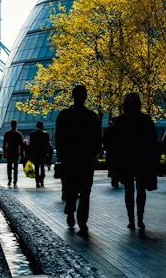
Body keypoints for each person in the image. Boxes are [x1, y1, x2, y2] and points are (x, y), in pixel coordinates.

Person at [55, 85, 101, 236]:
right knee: (85, 192)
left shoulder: (64, 115)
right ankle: (83, 222)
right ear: (85, 97)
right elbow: (97, 139)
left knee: (71, 188)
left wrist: (61, 157)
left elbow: (59, 138)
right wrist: (94, 155)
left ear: (72, 96)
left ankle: (70, 210)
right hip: (86, 160)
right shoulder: (92, 116)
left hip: (70, 160)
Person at [114, 93, 158, 230]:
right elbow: (152, 143)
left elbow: (117, 144)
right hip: (142, 160)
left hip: (126, 160)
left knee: (128, 190)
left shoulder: (120, 121)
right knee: (141, 190)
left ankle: (131, 220)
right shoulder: (146, 120)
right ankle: (140, 219)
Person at [29, 121, 52, 188]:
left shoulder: (32, 134)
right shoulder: (46, 134)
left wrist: (30, 154)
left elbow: (31, 145)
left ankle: (37, 182)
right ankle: (41, 180)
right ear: (42, 126)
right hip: (43, 153)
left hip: (35, 153)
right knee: (42, 167)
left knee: (36, 167)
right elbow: (47, 145)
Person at [2, 119, 24, 186]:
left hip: (9, 152)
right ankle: (15, 181)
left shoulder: (7, 134)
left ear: (11, 125)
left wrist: (4, 153)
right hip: (16, 152)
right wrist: (22, 153)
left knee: (9, 167)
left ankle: (9, 180)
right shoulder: (19, 134)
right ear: (16, 125)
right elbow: (21, 145)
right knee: (15, 167)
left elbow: (4, 145)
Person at [102, 117, 120, 188]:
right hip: (119, 151)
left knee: (111, 164)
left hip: (111, 150)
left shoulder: (108, 129)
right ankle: (117, 176)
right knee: (118, 164)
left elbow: (104, 139)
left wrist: (105, 147)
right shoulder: (121, 130)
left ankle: (112, 174)